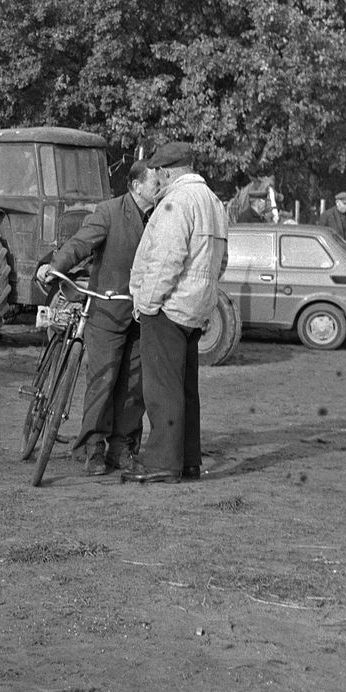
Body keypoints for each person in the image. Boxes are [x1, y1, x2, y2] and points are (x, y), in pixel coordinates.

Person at [35, 159, 160, 476]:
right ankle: (92, 450)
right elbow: (80, 244)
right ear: (136, 186)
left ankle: (124, 449)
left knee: (134, 387)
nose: (159, 187)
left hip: (143, 315)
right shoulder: (110, 212)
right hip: (107, 311)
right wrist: (57, 266)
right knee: (102, 381)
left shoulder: (160, 217)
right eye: (155, 183)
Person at [126, 142, 228, 484]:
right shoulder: (213, 201)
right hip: (198, 306)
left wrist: (147, 303)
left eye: (157, 171)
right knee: (186, 389)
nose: (156, 177)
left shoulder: (175, 201)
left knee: (162, 389)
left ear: (167, 171)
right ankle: (188, 461)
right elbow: (222, 259)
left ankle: (161, 463)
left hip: (169, 305)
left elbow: (166, 259)